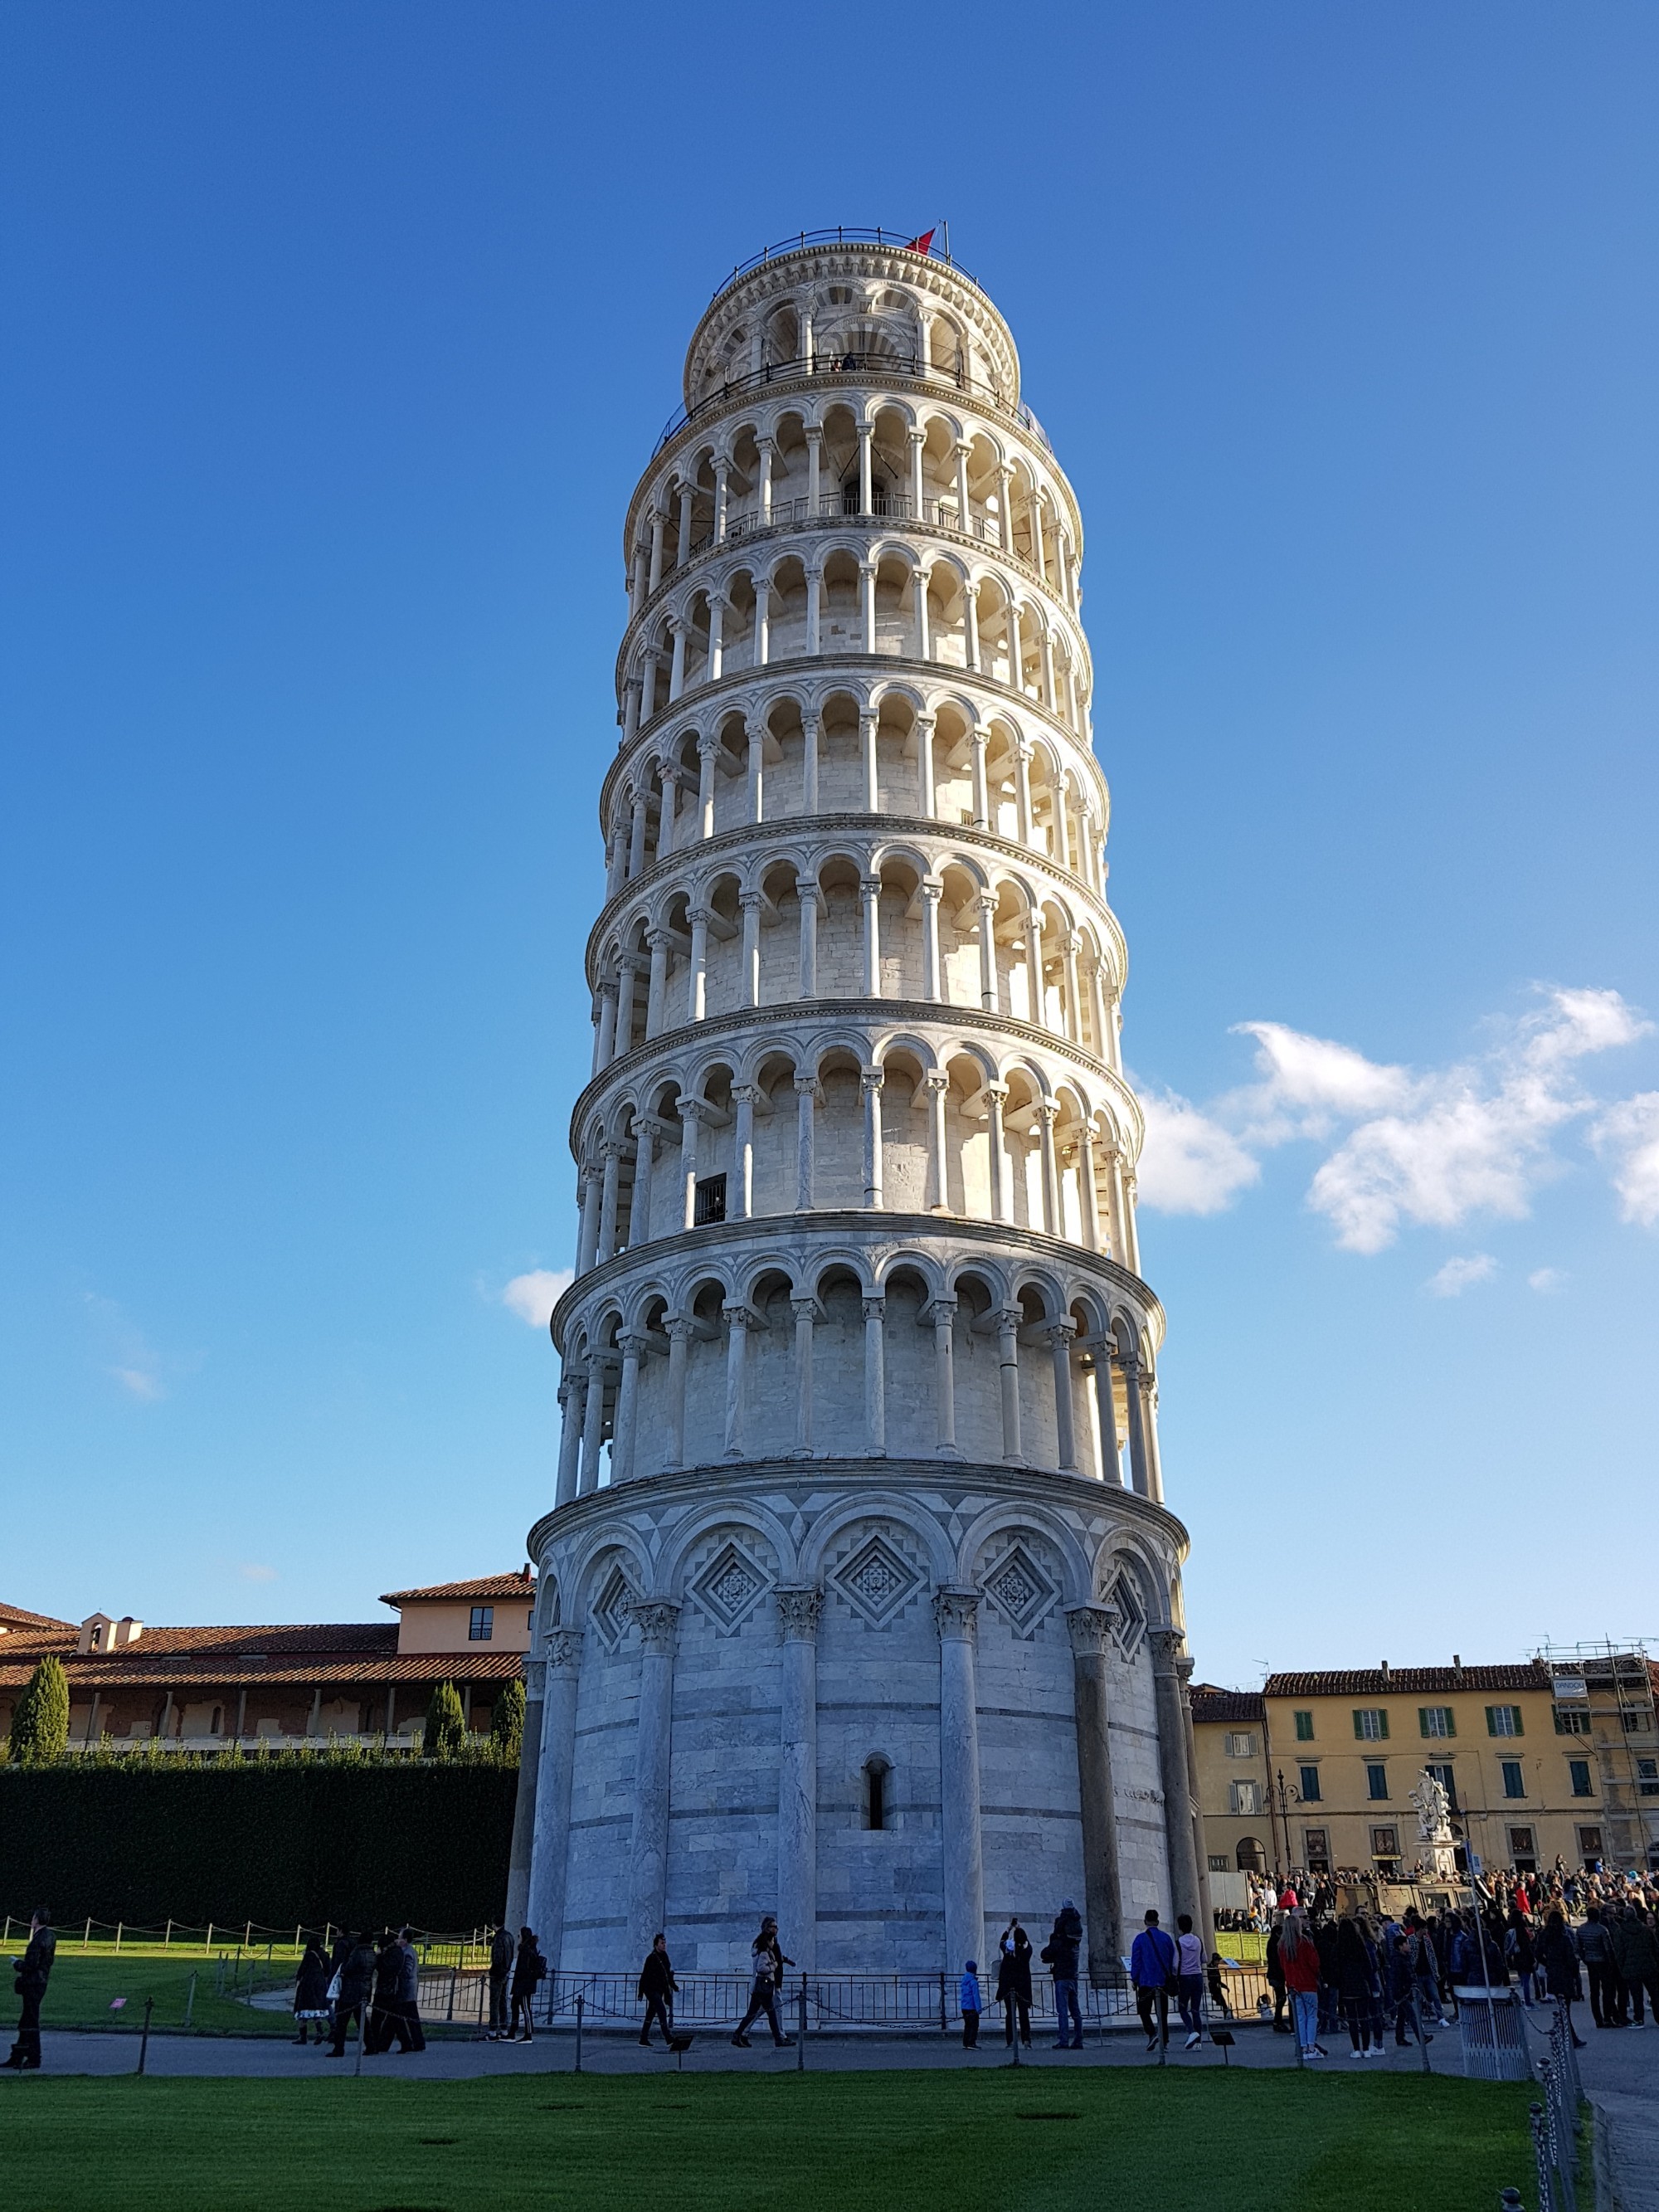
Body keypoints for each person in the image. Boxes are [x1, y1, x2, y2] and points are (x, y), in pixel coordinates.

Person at [4, 1910, 56, 2072]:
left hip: (33, 1983)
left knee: (31, 2021)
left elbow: (30, 1965)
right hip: (41, 1981)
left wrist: (16, 1963)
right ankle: (17, 2056)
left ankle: (34, 2057)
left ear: (36, 1920)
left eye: (33, 1918)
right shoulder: (50, 1936)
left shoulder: (36, 1941)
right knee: (27, 2020)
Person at [731, 1917, 794, 2049]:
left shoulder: (768, 1945)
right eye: (773, 1927)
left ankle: (740, 2035)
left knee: (758, 2012)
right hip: (765, 1984)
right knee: (770, 2011)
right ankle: (779, 2038)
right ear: (767, 1928)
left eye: (776, 1927)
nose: (776, 1929)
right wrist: (774, 1965)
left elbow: (775, 1958)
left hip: (766, 1985)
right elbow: (762, 1967)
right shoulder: (764, 1949)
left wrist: (783, 1960)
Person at [1537, 1909, 1586, 2049]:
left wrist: (1548, 1964)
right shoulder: (1564, 1938)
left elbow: (1538, 1954)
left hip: (1553, 1973)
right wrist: (1575, 1974)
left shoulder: (1544, 1936)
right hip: (1565, 1974)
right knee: (1566, 2009)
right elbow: (1571, 1958)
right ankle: (1570, 2037)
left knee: (1562, 2007)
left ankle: (1567, 2036)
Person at [1130, 1908, 1177, 2054]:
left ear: (1145, 1921)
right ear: (1157, 1921)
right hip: (1162, 1981)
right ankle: (1165, 2041)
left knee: (1143, 2011)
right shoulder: (1166, 1938)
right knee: (1162, 2014)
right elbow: (1172, 1960)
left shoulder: (1140, 1939)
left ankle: (1152, 2033)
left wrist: (1134, 1978)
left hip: (1146, 1981)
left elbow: (1136, 1961)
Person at [1278, 1910, 1324, 2059]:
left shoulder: (1282, 1946)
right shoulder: (1304, 1942)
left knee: (1300, 2017)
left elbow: (1283, 1967)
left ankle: (1303, 2047)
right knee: (1312, 2016)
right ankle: (1311, 2047)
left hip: (1293, 1986)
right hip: (1308, 1984)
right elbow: (1315, 1963)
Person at [1335, 1915, 1381, 2058]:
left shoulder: (1338, 1947)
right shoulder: (1360, 1944)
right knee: (1364, 2018)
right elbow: (1369, 1966)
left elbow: (1335, 1969)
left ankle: (1356, 2049)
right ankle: (1366, 2049)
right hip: (1362, 1985)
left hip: (1347, 1987)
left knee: (1352, 2021)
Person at [1042, 1901, 1084, 2050]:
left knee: (1063, 2012)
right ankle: (1079, 2040)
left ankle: (1064, 2040)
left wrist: (1053, 1939)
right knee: (1076, 2012)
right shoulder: (1076, 1943)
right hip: (1074, 1977)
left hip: (1062, 1978)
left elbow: (1045, 1954)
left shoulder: (1059, 1942)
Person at [327, 1932, 377, 2056]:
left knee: (342, 2021)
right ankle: (371, 2046)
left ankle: (339, 2048)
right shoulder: (372, 1954)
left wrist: (342, 1969)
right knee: (362, 2021)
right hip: (365, 1988)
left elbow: (348, 1968)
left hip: (351, 1990)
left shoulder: (357, 1953)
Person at [380, 1929, 426, 2054]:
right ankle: (416, 2043)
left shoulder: (407, 1953)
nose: (397, 1940)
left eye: (399, 1938)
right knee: (405, 2018)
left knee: (396, 2017)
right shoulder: (410, 1951)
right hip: (408, 1990)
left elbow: (407, 1971)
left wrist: (395, 1973)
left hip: (405, 1990)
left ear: (405, 1940)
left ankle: (387, 2044)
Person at [1577, 1906, 1619, 2029]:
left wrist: (1585, 1958)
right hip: (1603, 1962)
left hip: (1590, 1961)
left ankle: (1598, 2019)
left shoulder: (1581, 1930)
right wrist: (1611, 1963)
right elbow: (1608, 1949)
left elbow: (1578, 1947)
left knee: (1594, 1991)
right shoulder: (1602, 1930)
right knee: (1607, 1990)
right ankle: (1608, 2017)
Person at [995, 1919, 1034, 2049]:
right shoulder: (1026, 1951)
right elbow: (1027, 1943)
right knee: (1024, 2014)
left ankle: (1011, 2041)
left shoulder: (1008, 1949)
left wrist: (1009, 1928)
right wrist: (1019, 1930)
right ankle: (1027, 2041)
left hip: (1009, 1986)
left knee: (1009, 2015)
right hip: (1023, 1987)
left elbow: (1001, 1941)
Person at [638, 1933, 678, 2048]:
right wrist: (640, 1993)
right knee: (661, 2010)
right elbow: (644, 1976)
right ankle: (668, 2038)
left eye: (665, 1942)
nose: (664, 1945)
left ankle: (643, 2038)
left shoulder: (665, 1957)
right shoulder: (651, 1958)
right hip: (650, 1989)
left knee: (650, 2013)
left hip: (659, 1990)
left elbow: (667, 1974)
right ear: (656, 1945)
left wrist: (673, 1986)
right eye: (662, 1943)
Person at [292, 1932, 331, 2045]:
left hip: (308, 1983)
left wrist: (298, 1978)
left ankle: (302, 2036)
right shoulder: (325, 1955)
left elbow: (302, 1969)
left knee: (303, 2008)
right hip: (320, 1982)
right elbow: (328, 1970)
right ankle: (320, 2032)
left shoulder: (309, 1955)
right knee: (316, 2008)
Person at [1174, 1912, 1205, 2050]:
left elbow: (1175, 1964)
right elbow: (1204, 1959)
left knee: (1182, 2008)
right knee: (1196, 2010)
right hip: (1198, 1976)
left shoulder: (1178, 1943)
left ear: (1180, 1927)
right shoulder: (1198, 1940)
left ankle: (1191, 2031)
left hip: (1185, 1977)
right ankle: (1198, 2042)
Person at [510, 1927, 546, 2043]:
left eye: (519, 1935)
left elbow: (524, 1969)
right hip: (522, 1984)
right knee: (514, 2004)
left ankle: (528, 2034)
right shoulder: (528, 1949)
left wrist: (520, 1982)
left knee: (525, 2008)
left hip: (524, 1985)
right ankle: (512, 2031)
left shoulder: (526, 1950)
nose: (518, 1937)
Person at [486, 1923, 515, 2041]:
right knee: (502, 2002)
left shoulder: (499, 1938)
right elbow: (511, 1954)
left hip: (498, 1973)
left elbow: (497, 1957)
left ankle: (493, 2030)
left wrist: (493, 1970)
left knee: (494, 2002)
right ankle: (504, 2029)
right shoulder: (509, 1936)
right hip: (506, 1972)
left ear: (494, 1925)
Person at [1265, 1919, 1290, 2032]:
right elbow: (1277, 1961)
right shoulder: (1275, 1944)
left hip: (1275, 1975)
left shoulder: (1272, 1943)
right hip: (1277, 1975)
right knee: (1281, 1998)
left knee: (1281, 1998)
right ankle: (1277, 2021)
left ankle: (1278, 2021)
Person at [960, 1959, 982, 2049]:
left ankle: (966, 2043)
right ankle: (971, 2043)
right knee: (974, 2026)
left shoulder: (964, 1980)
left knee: (967, 2025)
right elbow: (976, 1996)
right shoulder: (973, 1982)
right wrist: (979, 2008)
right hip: (972, 2007)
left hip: (964, 2007)